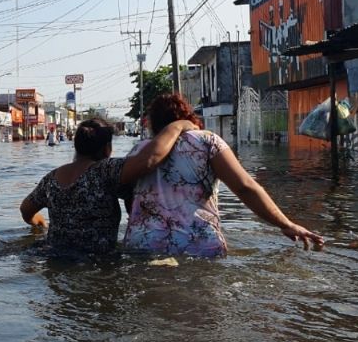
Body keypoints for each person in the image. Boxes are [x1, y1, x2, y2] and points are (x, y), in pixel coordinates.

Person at [122, 93, 325, 257]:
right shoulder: (207, 141)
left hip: (144, 245)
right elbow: (245, 187)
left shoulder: (138, 151)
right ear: (188, 118)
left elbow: (128, 197)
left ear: (153, 123)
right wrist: (286, 224)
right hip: (198, 246)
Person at [20, 117, 196, 256]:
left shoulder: (51, 178)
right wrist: (176, 127)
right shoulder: (105, 170)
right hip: (97, 261)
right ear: (107, 149)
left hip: (55, 257)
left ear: (77, 146)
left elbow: (25, 210)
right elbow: (149, 159)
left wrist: (41, 224)